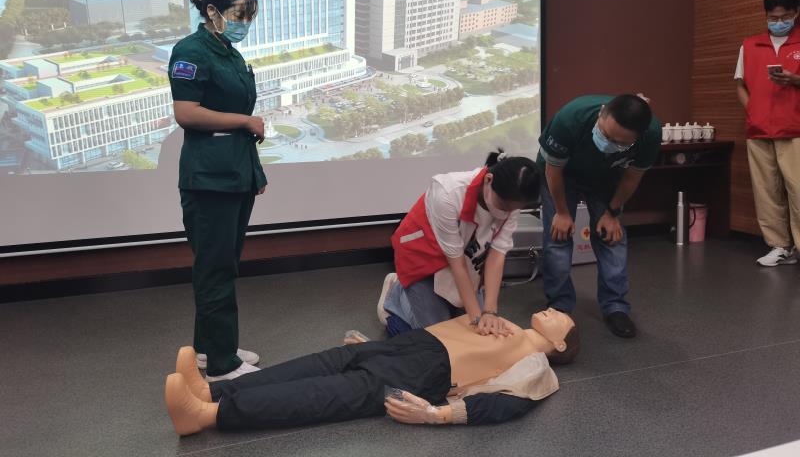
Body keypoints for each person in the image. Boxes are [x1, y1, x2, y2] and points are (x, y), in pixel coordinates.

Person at [164, 308, 578, 435]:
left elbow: (506, 405)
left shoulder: (539, 367)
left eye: (561, 318)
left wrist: (436, 414)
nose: (553, 310)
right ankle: (211, 392)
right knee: (315, 364)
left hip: (428, 373)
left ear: (560, 344)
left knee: (319, 395)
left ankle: (206, 415)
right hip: (415, 345)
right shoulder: (506, 322)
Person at [169, 0, 268, 381]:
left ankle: (210, 349)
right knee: (215, 271)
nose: (244, 23)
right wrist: (245, 121)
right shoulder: (191, 51)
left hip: (234, 175)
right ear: (212, 11)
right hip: (210, 180)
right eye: (238, 14)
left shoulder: (227, 51)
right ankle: (222, 366)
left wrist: (254, 174)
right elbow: (186, 112)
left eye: (250, 16)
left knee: (221, 266)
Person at [376, 150, 541, 338]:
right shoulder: (448, 194)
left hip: (466, 254)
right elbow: (457, 265)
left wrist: (489, 312)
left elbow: (497, 255)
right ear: (489, 180)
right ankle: (395, 297)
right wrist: (477, 319)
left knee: (474, 329)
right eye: (503, 206)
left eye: (513, 209)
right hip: (423, 256)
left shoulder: (513, 200)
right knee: (438, 337)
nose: (507, 213)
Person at [537, 94, 660, 339]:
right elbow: (553, 171)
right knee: (558, 238)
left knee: (612, 238)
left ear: (638, 137)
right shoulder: (571, 118)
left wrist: (612, 212)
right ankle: (559, 307)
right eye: (605, 134)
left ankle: (615, 307)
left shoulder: (651, 134)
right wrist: (562, 212)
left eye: (619, 143)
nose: (608, 143)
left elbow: (632, 177)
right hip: (562, 175)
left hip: (606, 177)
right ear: (602, 113)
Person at [734, 0, 800, 267]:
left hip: (795, 128)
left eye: (784, 16)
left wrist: (795, 80)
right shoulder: (750, 45)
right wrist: (752, 110)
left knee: (798, 189)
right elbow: (740, 84)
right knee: (766, 191)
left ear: (796, 13)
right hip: (759, 129)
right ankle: (779, 246)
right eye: (773, 17)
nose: (778, 22)